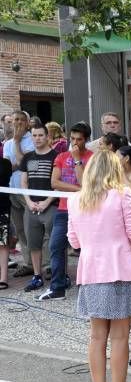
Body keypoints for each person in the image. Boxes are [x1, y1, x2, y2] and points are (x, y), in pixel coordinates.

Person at [67, 149, 131, 382]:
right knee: (120, 337)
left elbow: (74, 240)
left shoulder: (75, 199)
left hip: (90, 272)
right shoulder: (122, 195)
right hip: (119, 268)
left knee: (97, 336)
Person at [38, 122, 93, 301]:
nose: (75, 143)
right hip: (64, 209)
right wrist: (78, 189)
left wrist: (77, 160)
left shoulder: (93, 158)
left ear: (86, 140)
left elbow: (86, 183)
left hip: (85, 210)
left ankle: (87, 287)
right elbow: (55, 183)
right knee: (56, 246)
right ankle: (58, 287)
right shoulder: (61, 156)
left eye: (79, 139)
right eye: (73, 138)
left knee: (86, 249)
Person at [19, 124, 57, 293]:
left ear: (47, 136)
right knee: (33, 244)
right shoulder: (27, 158)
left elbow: (59, 183)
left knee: (56, 242)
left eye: (40, 135)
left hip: (50, 206)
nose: (37, 138)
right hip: (31, 207)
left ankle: (58, 274)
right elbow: (24, 182)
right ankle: (37, 276)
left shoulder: (57, 156)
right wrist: (28, 201)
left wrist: (47, 202)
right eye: (34, 135)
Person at [4, 110, 35, 278]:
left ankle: (42, 264)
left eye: (20, 120)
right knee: (20, 229)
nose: (16, 123)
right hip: (12, 189)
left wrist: (17, 142)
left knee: (33, 228)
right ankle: (28, 263)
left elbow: (25, 163)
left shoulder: (32, 139)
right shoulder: (7, 143)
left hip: (27, 191)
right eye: (14, 120)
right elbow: (8, 166)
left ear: (27, 123)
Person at [0, 157, 12, 288]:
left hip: (2, 208)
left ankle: (3, 277)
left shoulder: (4, 163)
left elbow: (3, 178)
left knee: (2, 244)